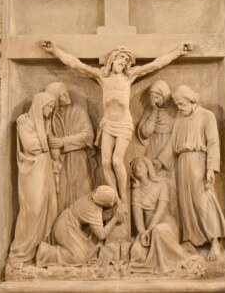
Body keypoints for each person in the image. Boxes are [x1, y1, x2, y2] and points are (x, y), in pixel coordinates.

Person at [40, 41, 194, 202]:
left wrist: (178, 52)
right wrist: (55, 50)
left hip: (123, 125)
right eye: (120, 60)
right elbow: (76, 65)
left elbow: (156, 65)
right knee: (106, 162)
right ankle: (116, 199)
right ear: (112, 60)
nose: (123, 63)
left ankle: (124, 198)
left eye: (125, 62)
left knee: (116, 161)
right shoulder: (102, 76)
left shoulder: (129, 77)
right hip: (107, 124)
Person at [169, 85, 225, 260]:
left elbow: (213, 144)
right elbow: (173, 143)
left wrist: (211, 169)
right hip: (182, 163)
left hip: (198, 162)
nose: (179, 107)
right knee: (185, 203)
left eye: (181, 103)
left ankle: (214, 241)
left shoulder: (206, 116)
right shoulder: (180, 117)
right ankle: (191, 240)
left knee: (203, 202)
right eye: (177, 104)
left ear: (191, 100)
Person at [9, 90, 59, 265]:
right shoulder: (25, 123)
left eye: (52, 108)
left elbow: (53, 150)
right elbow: (32, 147)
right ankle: (21, 250)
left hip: (45, 170)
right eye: (49, 107)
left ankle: (42, 250)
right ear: (39, 106)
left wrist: (47, 134)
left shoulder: (45, 124)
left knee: (51, 207)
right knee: (33, 209)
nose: (50, 111)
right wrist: (46, 140)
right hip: (32, 172)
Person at [128, 156, 194, 274]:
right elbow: (138, 217)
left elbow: (161, 211)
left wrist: (150, 230)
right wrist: (143, 233)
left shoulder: (161, 184)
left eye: (140, 166)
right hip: (147, 231)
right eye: (134, 167)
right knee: (136, 252)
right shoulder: (136, 190)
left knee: (158, 231)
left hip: (166, 226)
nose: (137, 169)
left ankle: (176, 260)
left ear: (148, 167)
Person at [35, 186, 125, 267]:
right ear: (104, 204)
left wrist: (119, 203)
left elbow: (112, 198)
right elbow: (101, 234)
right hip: (66, 226)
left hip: (71, 223)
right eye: (112, 202)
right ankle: (45, 253)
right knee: (78, 258)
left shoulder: (96, 193)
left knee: (89, 249)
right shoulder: (93, 210)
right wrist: (115, 218)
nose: (114, 201)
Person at [45, 81, 96, 214]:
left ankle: (85, 230)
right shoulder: (49, 116)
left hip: (78, 159)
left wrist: (63, 142)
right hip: (58, 163)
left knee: (82, 192)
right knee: (61, 196)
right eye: (63, 95)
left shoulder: (79, 111)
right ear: (55, 99)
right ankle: (62, 230)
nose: (68, 96)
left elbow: (88, 135)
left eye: (67, 92)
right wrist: (23, 118)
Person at [136, 80, 175, 172]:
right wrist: (154, 111)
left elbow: (177, 135)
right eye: (152, 98)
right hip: (153, 148)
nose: (154, 101)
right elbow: (145, 133)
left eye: (157, 97)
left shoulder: (174, 111)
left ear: (165, 96)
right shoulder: (150, 110)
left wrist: (163, 159)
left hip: (169, 149)